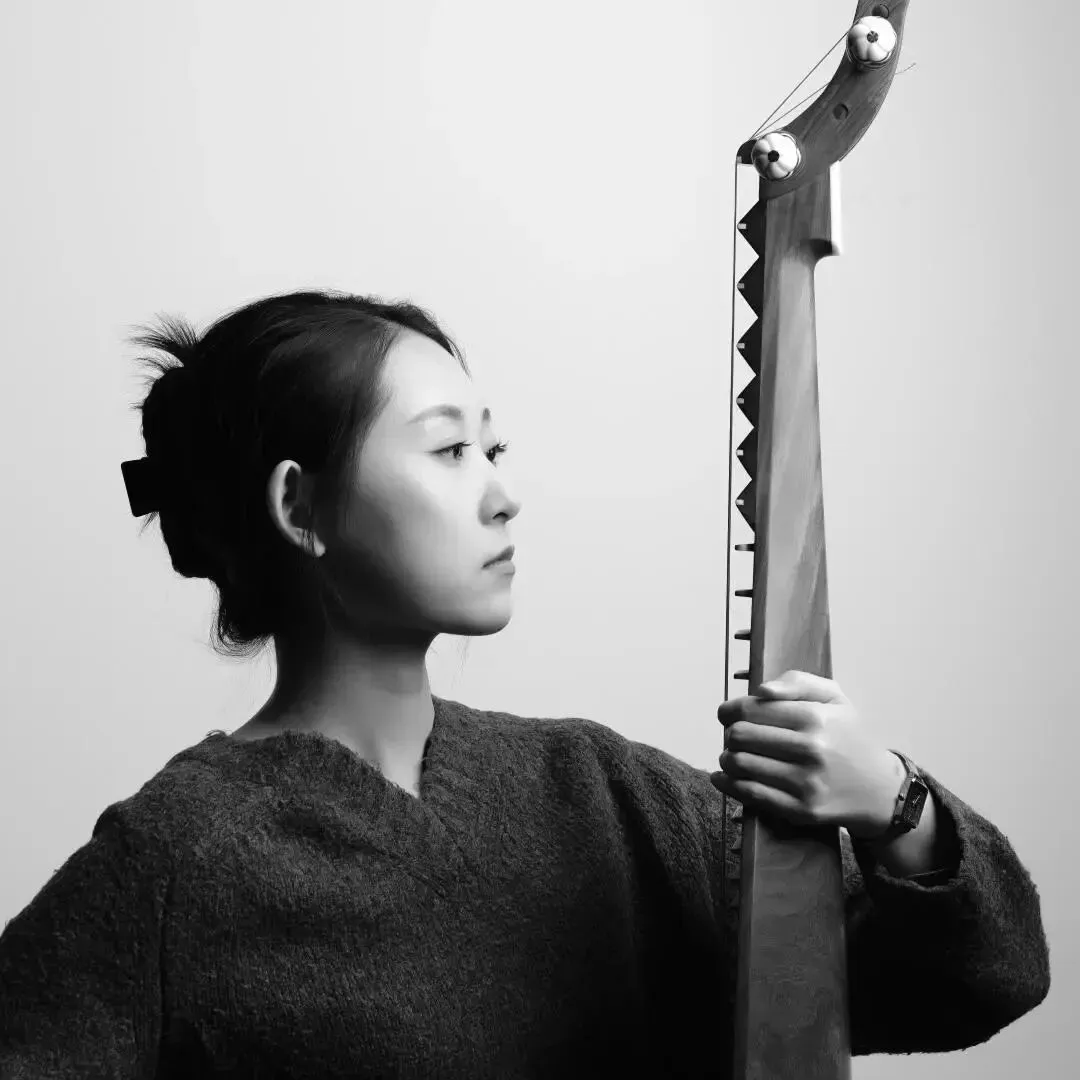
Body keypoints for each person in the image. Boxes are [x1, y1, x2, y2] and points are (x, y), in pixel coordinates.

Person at [0, 290, 1051, 1076]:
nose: (504, 496)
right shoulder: (179, 859)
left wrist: (896, 807)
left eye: (492, 447)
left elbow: (978, 984)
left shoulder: (599, 792)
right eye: (449, 451)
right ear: (300, 507)